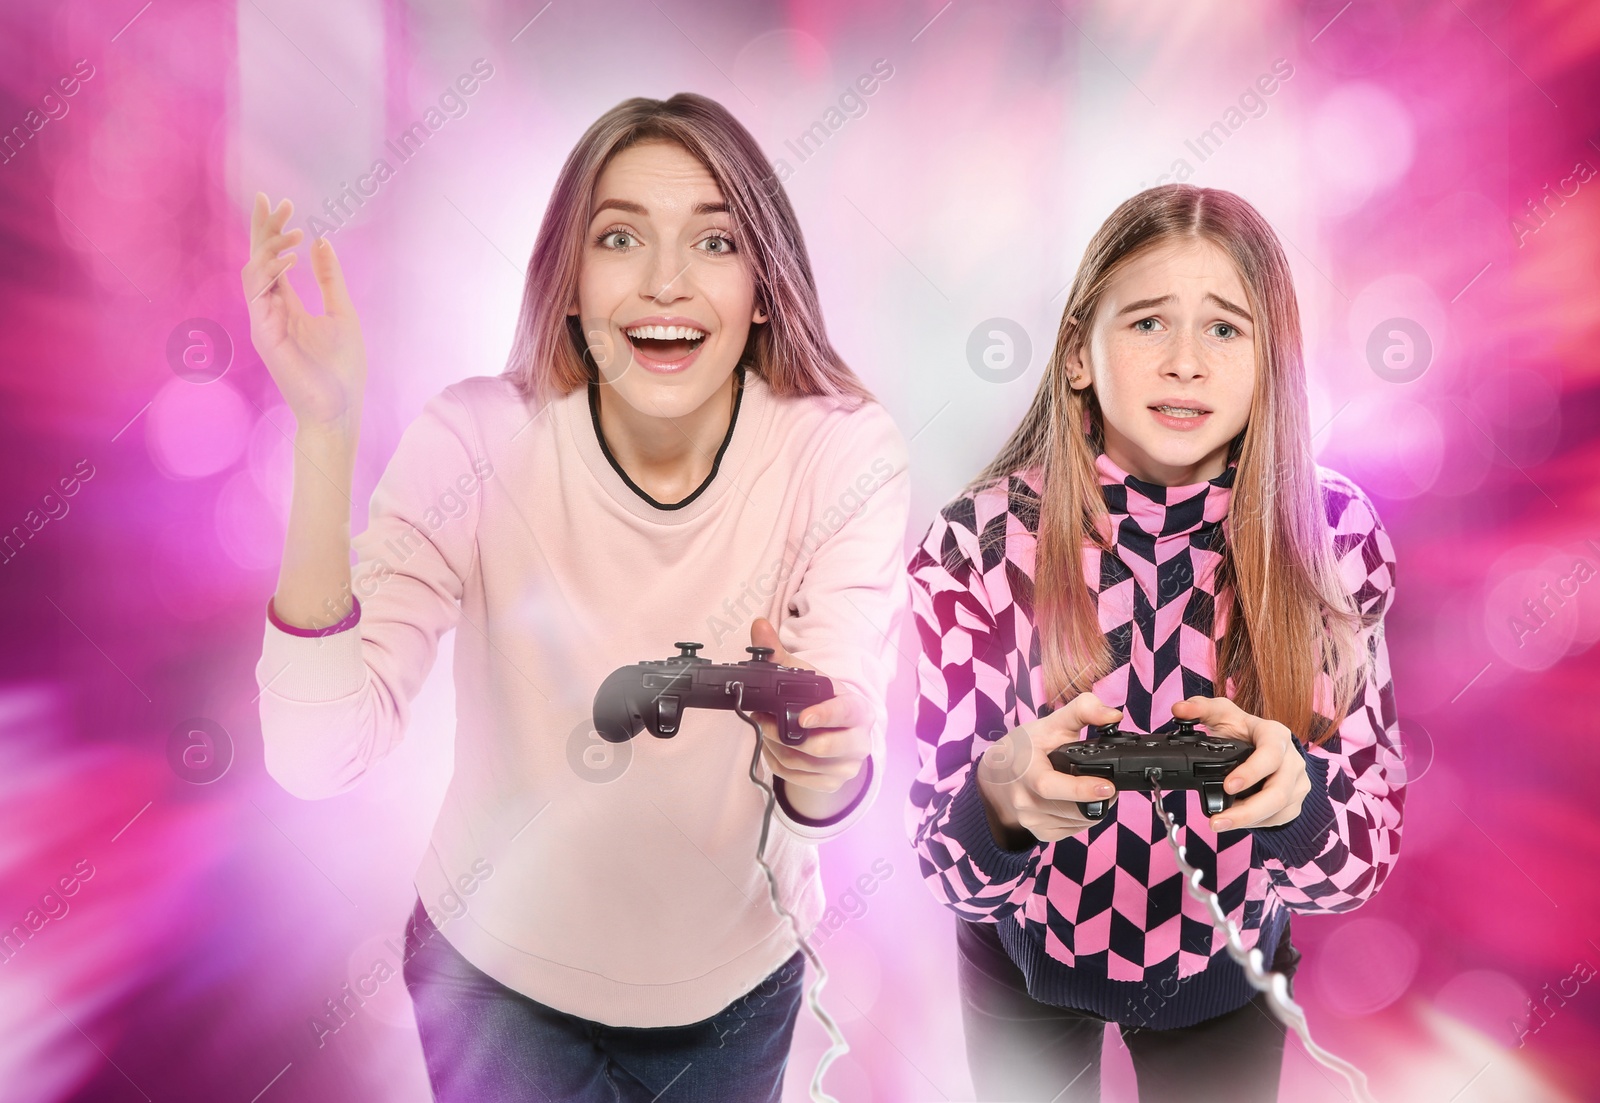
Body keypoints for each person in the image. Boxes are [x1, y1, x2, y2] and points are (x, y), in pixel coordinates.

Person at [242, 92, 910, 1102]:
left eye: (715, 240)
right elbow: (315, 754)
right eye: (620, 237)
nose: (665, 281)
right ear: (568, 281)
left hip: (732, 989)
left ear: (766, 287)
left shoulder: (840, 452)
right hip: (490, 979)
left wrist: (818, 748)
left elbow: (828, 776)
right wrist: (325, 432)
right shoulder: (473, 443)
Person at [904, 184, 1403, 1103]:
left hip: (1226, 972)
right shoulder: (976, 542)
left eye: (1225, 329)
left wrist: (1300, 800)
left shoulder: (1334, 536)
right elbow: (944, 861)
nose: (1185, 364)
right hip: (1023, 962)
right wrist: (1000, 800)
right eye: (1145, 324)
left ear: (1271, 364)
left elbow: (1363, 860)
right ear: (1078, 356)